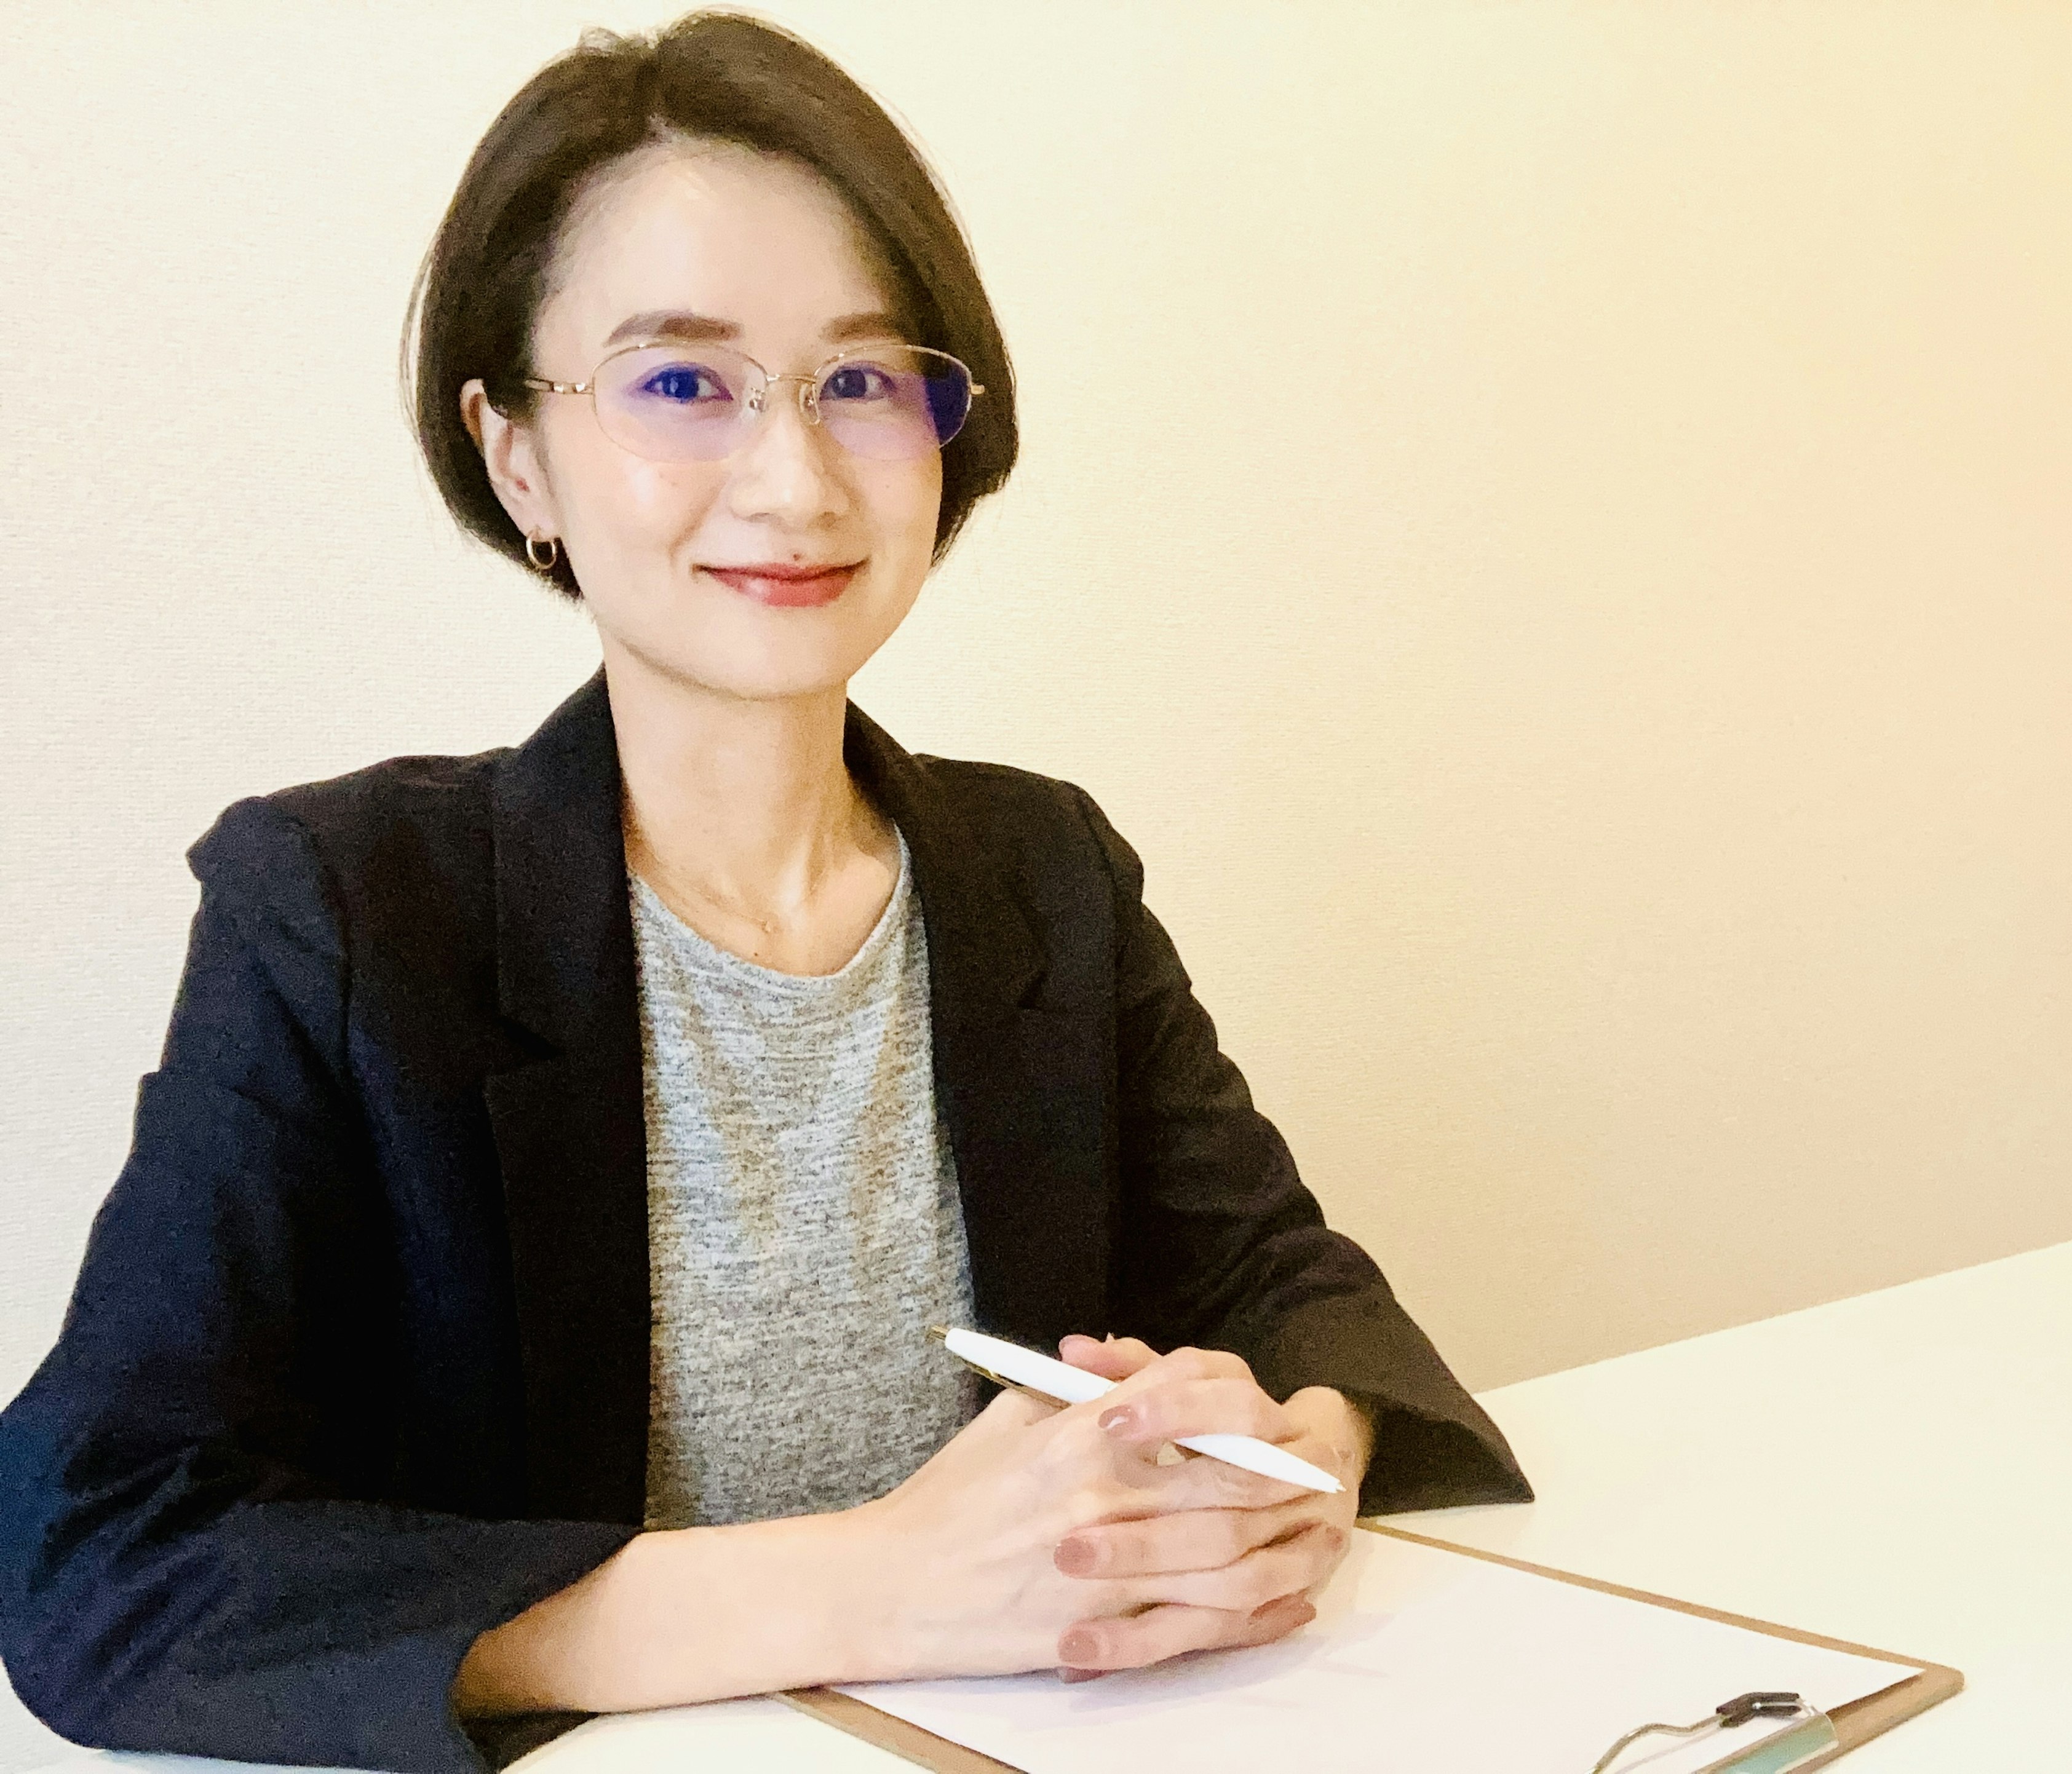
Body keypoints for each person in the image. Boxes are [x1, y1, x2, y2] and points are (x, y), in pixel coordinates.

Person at [0, 12, 1530, 1772]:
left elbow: (1288, 1284)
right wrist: (875, 1583)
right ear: (517, 456)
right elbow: (107, 1553)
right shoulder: (345, 911)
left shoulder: (1044, 870)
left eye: (865, 381)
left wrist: (1287, 1456)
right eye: (680, 380)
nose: (796, 481)